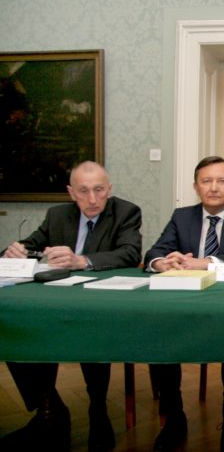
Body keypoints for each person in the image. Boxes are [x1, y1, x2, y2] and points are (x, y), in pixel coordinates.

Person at [1, 161, 142, 452]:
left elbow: (130, 253)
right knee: (18, 324)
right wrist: (13, 251)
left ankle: (98, 409)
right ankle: (49, 408)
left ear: (109, 189)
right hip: (56, 299)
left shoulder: (126, 212)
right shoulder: (57, 214)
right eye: (83, 191)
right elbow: (32, 245)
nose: (92, 199)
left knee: (91, 332)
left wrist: (82, 261)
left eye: (99, 190)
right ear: (71, 192)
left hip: (100, 300)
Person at [143, 156, 224, 452]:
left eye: (222, 181)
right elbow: (155, 251)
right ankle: (174, 418)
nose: (214, 187)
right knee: (159, 334)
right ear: (196, 186)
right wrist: (161, 263)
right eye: (206, 181)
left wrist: (205, 262)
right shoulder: (182, 216)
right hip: (184, 300)